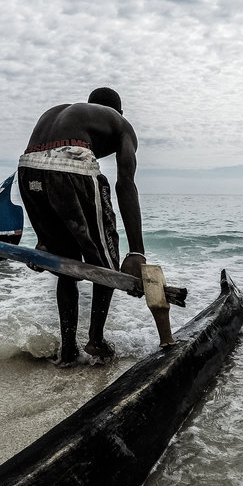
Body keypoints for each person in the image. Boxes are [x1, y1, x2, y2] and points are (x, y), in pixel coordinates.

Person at [17, 87, 145, 367]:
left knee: (66, 264)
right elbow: (126, 183)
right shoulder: (120, 123)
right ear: (118, 111)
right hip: (69, 163)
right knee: (106, 264)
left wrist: (44, 236)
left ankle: (68, 350)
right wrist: (137, 252)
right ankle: (96, 341)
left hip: (26, 171)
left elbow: (42, 164)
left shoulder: (64, 113)